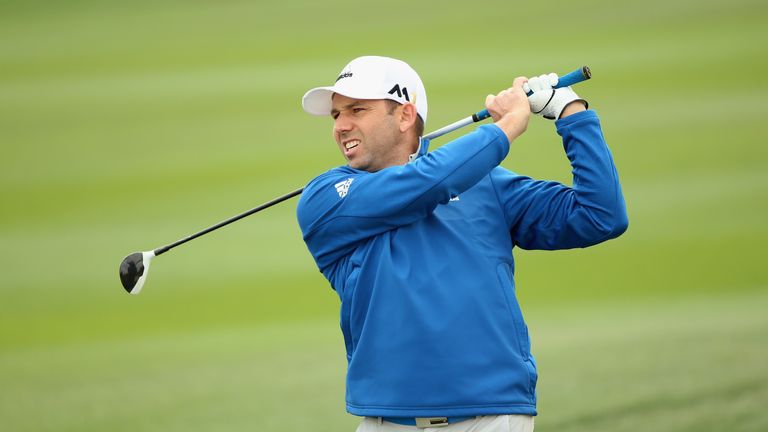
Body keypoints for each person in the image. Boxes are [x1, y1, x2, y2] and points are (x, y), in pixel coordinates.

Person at [296, 56, 628, 432]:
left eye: (357, 109)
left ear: (405, 116)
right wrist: (507, 126)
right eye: (336, 114)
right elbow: (428, 183)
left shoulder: (487, 184)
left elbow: (601, 216)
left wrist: (571, 114)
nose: (341, 125)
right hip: (386, 421)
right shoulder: (325, 198)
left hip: (490, 416)